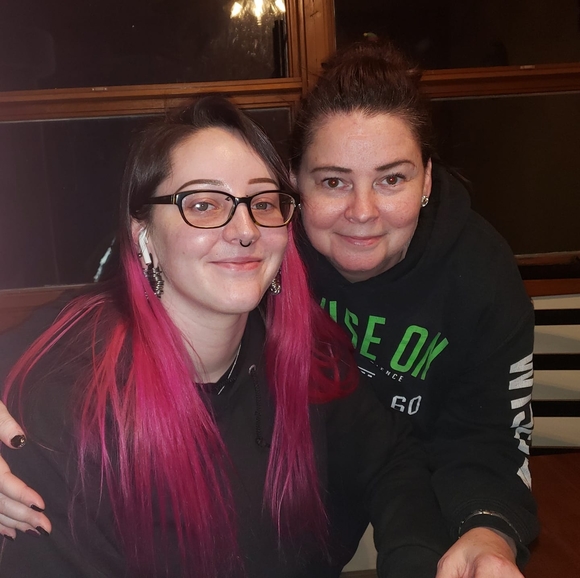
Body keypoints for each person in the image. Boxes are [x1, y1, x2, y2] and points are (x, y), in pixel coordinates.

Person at [0, 96, 449, 577]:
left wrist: (416, 558)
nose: (245, 230)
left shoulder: (295, 359)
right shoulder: (67, 403)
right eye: (203, 204)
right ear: (143, 235)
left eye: (263, 202)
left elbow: (393, 460)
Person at [287, 40, 538, 578]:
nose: (362, 212)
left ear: (426, 178)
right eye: (333, 181)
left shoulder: (480, 271)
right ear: (295, 182)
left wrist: (488, 529)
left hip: (434, 488)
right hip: (298, 484)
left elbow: (489, 434)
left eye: (391, 179)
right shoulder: (263, 254)